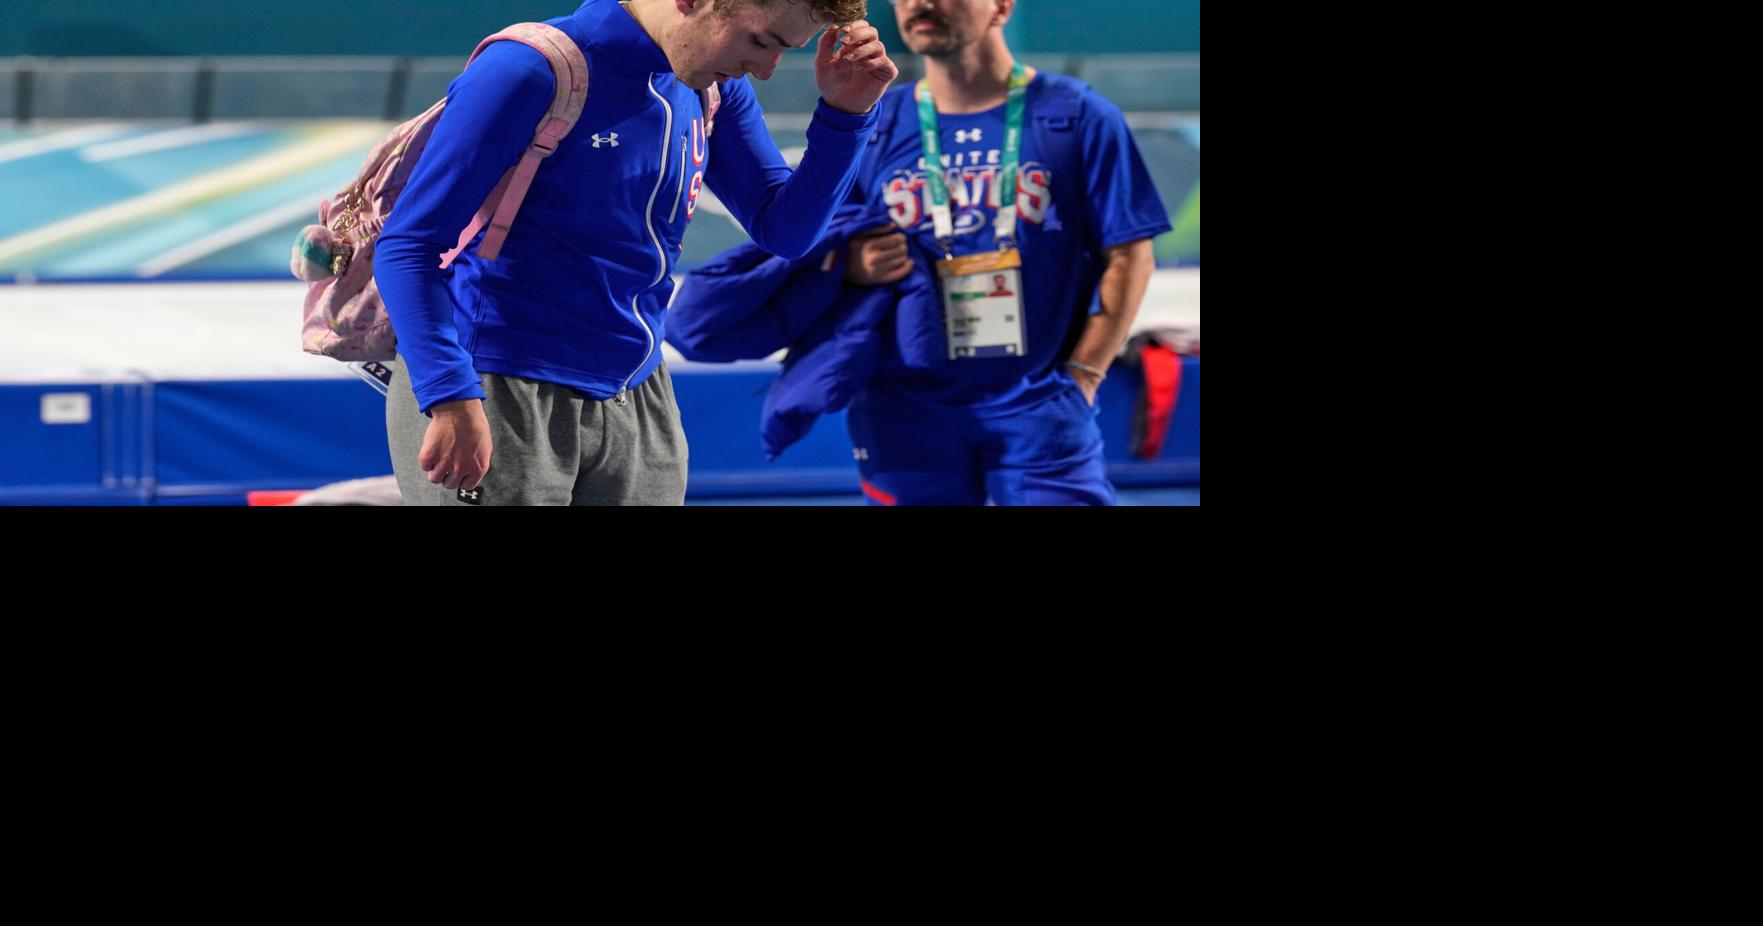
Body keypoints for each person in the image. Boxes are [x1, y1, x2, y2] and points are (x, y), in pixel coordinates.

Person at [374, 0, 898, 505]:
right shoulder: (528, 70)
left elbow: (785, 232)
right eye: (761, 41)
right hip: (493, 387)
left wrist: (846, 115)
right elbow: (409, 246)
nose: (764, 70)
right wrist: (450, 395)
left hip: (639, 392)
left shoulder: (713, 86)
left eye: (785, 50)